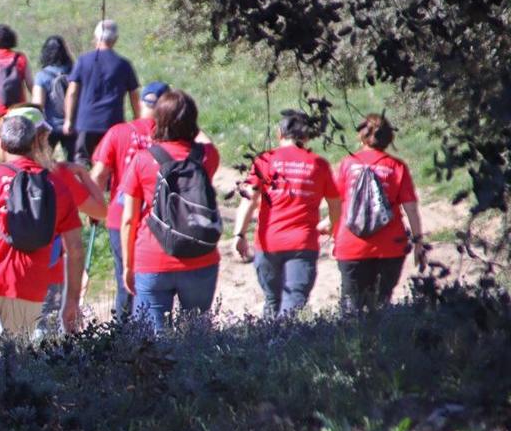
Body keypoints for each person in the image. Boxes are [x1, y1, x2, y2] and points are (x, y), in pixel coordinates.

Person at [0, 107, 93, 363]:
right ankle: (13, 404)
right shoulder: (55, 185)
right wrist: (72, 301)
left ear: (1, 143)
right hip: (29, 284)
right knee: (19, 366)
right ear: (36, 142)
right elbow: (76, 249)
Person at [120, 89, 222, 331]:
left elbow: (128, 220)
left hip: (152, 258)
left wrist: (127, 265)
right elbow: (207, 142)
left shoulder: (143, 160)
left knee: (153, 344)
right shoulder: (207, 156)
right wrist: (192, 125)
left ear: (158, 120)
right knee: (196, 338)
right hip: (200, 256)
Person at [231, 110, 341, 317]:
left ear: (280, 133)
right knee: (294, 302)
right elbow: (336, 205)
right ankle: (282, 345)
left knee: (272, 301)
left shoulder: (265, 160)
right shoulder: (319, 164)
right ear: (306, 137)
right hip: (302, 244)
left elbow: (249, 200)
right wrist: (332, 227)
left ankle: (269, 345)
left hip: (268, 243)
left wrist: (239, 234)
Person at [90, 80, 170, 320]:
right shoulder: (171, 137)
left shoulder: (119, 132)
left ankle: (122, 336)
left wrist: (94, 209)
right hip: (159, 217)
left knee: (124, 277)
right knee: (155, 278)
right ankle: (153, 330)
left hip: (119, 215)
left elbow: (99, 175)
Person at [331, 113, 424, 311]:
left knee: (351, 309)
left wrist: (331, 231)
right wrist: (418, 243)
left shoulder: (348, 164)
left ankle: (352, 342)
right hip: (390, 247)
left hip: (351, 245)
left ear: (361, 135)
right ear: (389, 138)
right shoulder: (396, 167)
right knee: (381, 306)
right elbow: (411, 210)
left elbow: (338, 204)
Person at [63, 20, 140, 166]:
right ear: (115, 39)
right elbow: (134, 97)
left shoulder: (83, 61)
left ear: (96, 37)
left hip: (86, 122)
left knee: (83, 163)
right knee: (110, 163)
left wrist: (68, 120)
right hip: (113, 122)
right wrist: (138, 120)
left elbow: (72, 92)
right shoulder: (123, 64)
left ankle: (84, 188)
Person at [29, 35, 74, 156]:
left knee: (44, 161)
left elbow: (38, 105)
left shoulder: (42, 76)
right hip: (72, 125)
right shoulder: (74, 72)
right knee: (76, 162)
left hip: (50, 126)